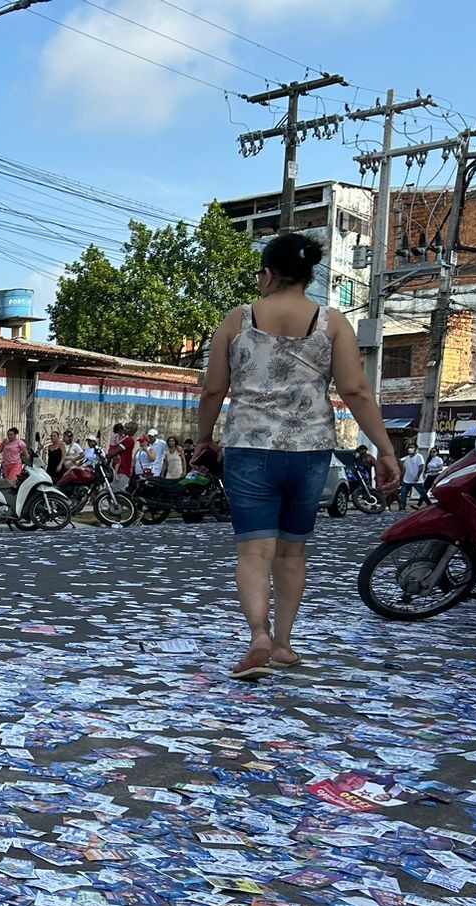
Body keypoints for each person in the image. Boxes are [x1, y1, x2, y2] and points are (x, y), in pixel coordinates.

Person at [196, 231, 399, 680]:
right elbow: (355, 390)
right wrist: (385, 449)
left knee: (254, 552)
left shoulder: (238, 319)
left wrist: (204, 439)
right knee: (292, 554)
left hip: (249, 449)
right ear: (309, 275)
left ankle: (258, 637)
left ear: (267, 274)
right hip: (309, 453)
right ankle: (284, 644)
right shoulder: (332, 322)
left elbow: (213, 388)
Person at [109, 423, 135, 492]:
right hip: (119, 470)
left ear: (132, 431)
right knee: (113, 491)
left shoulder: (128, 440)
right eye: (125, 427)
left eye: (127, 428)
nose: (125, 429)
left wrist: (108, 455)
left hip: (123, 470)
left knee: (118, 492)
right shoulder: (123, 438)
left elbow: (117, 450)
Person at [398, 444, 425, 509]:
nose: (410, 449)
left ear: (415, 449)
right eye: (409, 447)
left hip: (416, 480)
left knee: (422, 493)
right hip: (407, 480)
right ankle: (402, 506)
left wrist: (417, 476)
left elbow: (421, 467)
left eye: (412, 447)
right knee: (403, 493)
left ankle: (429, 504)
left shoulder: (419, 457)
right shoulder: (407, 458)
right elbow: (400, 462)